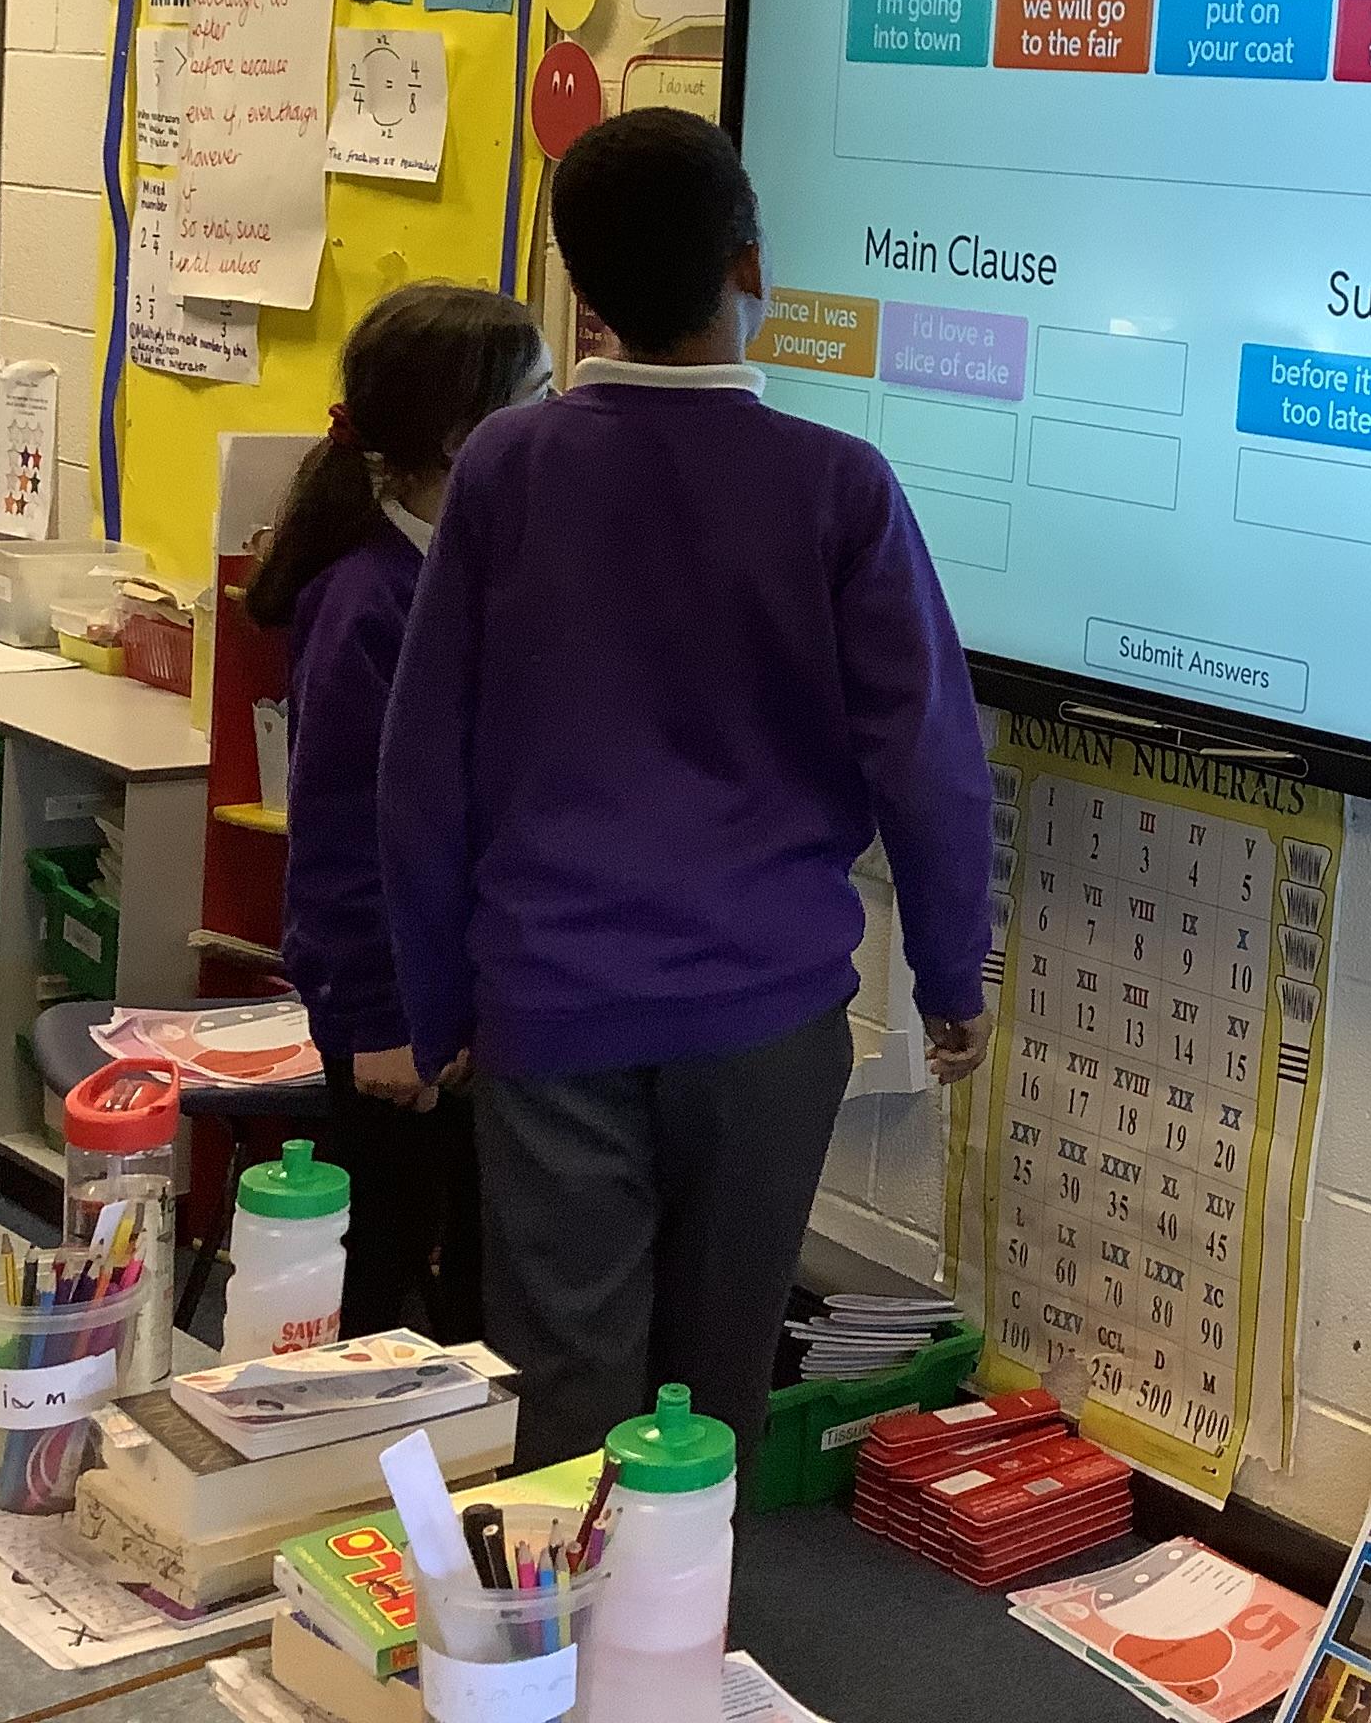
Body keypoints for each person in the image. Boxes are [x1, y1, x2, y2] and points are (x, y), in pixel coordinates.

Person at [380, 109, 997, 1465]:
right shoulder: (840, 486)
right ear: (752, 265)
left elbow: (423, 762)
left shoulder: (505, 468)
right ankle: (692, 1594)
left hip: (551, 1004)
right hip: (763, 1015)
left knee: (566, 1385)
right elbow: (930, 759)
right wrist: (951, 970)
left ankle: (568, 1602)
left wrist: (434, 1006)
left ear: (581, 289)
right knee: (712, 1398)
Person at [244, 280, 551, 1342]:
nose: (557, 418)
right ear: (463, 437)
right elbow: (339, 838)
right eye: (538, 396)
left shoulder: (471, 565)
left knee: (475, 1278)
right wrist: (385, 1023)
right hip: (392, 1020)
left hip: (464, 998)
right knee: (376, 1268)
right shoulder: (365, 601)